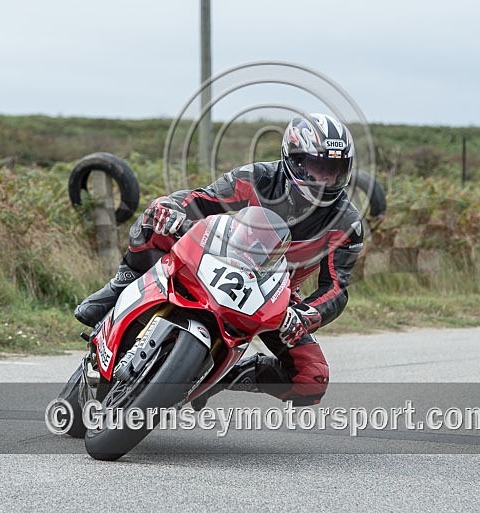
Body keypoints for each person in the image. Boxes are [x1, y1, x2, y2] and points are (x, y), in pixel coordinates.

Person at [75, 112, 364, 407]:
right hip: (224, 257)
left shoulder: (347, 223)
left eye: (334, 169)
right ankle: (119, 287)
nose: (325, 178)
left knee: (311, 379)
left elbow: (336, 288)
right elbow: (201, 200)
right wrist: (172, 207)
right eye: (317, 166)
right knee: (156, 216)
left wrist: (306, 316)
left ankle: (230, 375)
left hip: (277, 296)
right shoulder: (257, 177)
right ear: (294, 160)